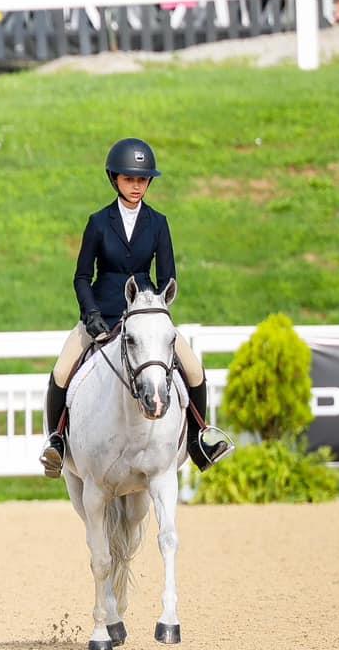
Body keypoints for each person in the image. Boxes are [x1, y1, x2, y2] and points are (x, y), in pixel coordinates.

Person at [38, 138, 231, 478]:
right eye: (129, 179)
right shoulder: (99, 222)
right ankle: (56, 443)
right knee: (62, 371)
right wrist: (90, 314)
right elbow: (82, 277)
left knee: (194, 370)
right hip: (103, 316)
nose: (137, 185)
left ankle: (198, 440)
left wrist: (154, 309)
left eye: (142, 179)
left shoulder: (158, 223)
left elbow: (167, 278)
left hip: (146, 318)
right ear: (115, 179)